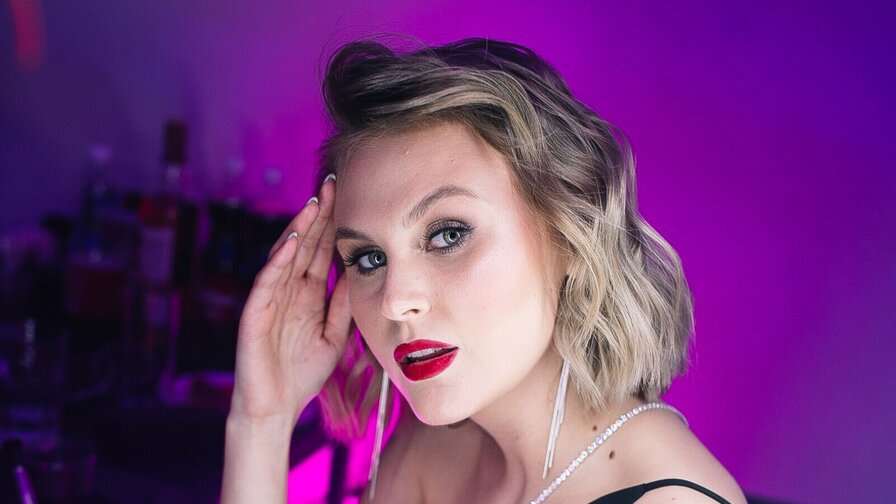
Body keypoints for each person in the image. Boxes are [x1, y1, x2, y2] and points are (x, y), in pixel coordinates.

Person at [221, 38, 747, 504]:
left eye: (448, 235)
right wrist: (261, 421)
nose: (394, 301)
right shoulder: (431, 453)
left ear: (570, 235)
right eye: (369, 258)